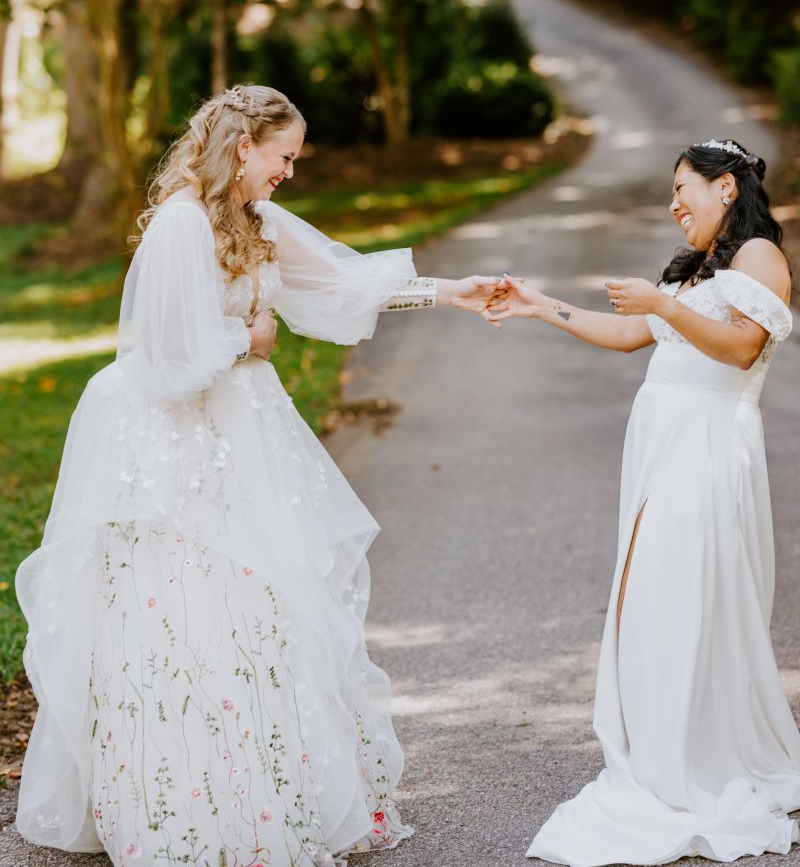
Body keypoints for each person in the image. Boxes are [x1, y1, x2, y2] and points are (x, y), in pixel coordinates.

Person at [15, 84, 499, 867]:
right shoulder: (178, 225)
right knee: (185, 613)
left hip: (242, 436)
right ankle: (185, 802)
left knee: (267, 607)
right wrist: (249, 340)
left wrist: (451, 294)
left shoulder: (256, 220)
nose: (290, 173)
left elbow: (340, 282)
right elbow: (167, 359)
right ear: (244, 147)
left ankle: (266, 786)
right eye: (285, 157)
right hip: (174, 450)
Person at [488, 138, 800, 865]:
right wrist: (540, 307)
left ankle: (684, 764)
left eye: (682, 188)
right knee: (651, 600)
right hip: (666, 453)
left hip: (707, 452)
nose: (672, 204)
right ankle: (669, 747)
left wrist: (663, 301)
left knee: (674, 596)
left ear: (726, 188)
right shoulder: (703, 270)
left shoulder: (759, 257)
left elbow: (742, 347)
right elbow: (630, 333)